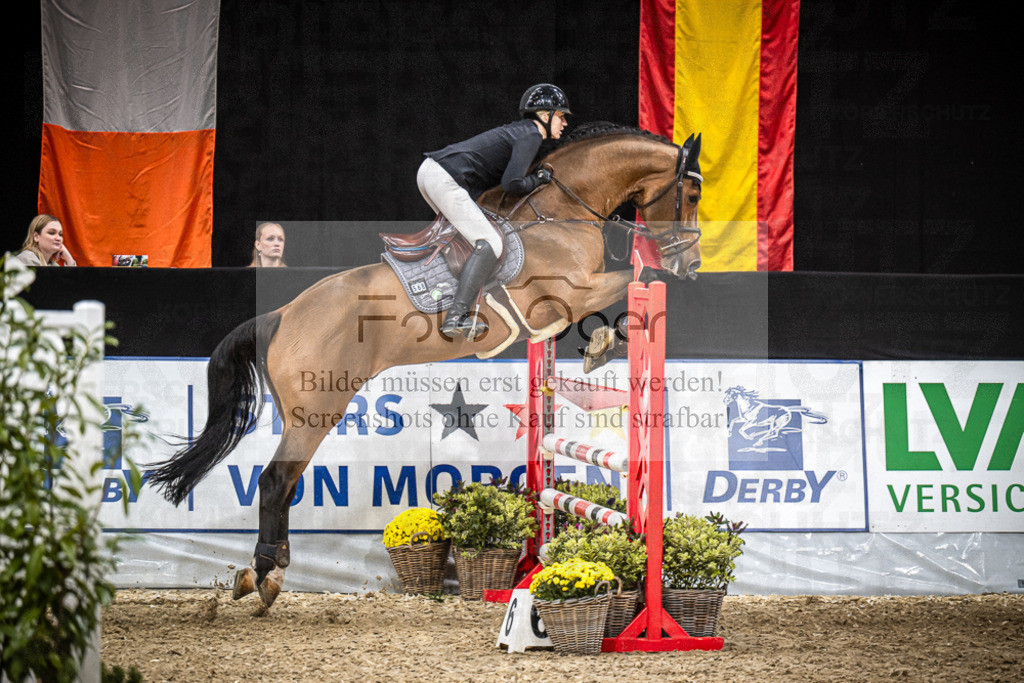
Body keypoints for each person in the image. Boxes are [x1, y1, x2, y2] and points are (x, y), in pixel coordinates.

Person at [418, 83, 571, 337]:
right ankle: (455, 316)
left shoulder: (522, 132)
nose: (564, 122)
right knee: (490, 242)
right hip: (444, 177)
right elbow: (512, 184)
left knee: (469, 240)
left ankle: (447, 293)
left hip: (430, 172)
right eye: (561, 116)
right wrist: (540, 179)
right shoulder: (532, 134)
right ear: (545, 116)